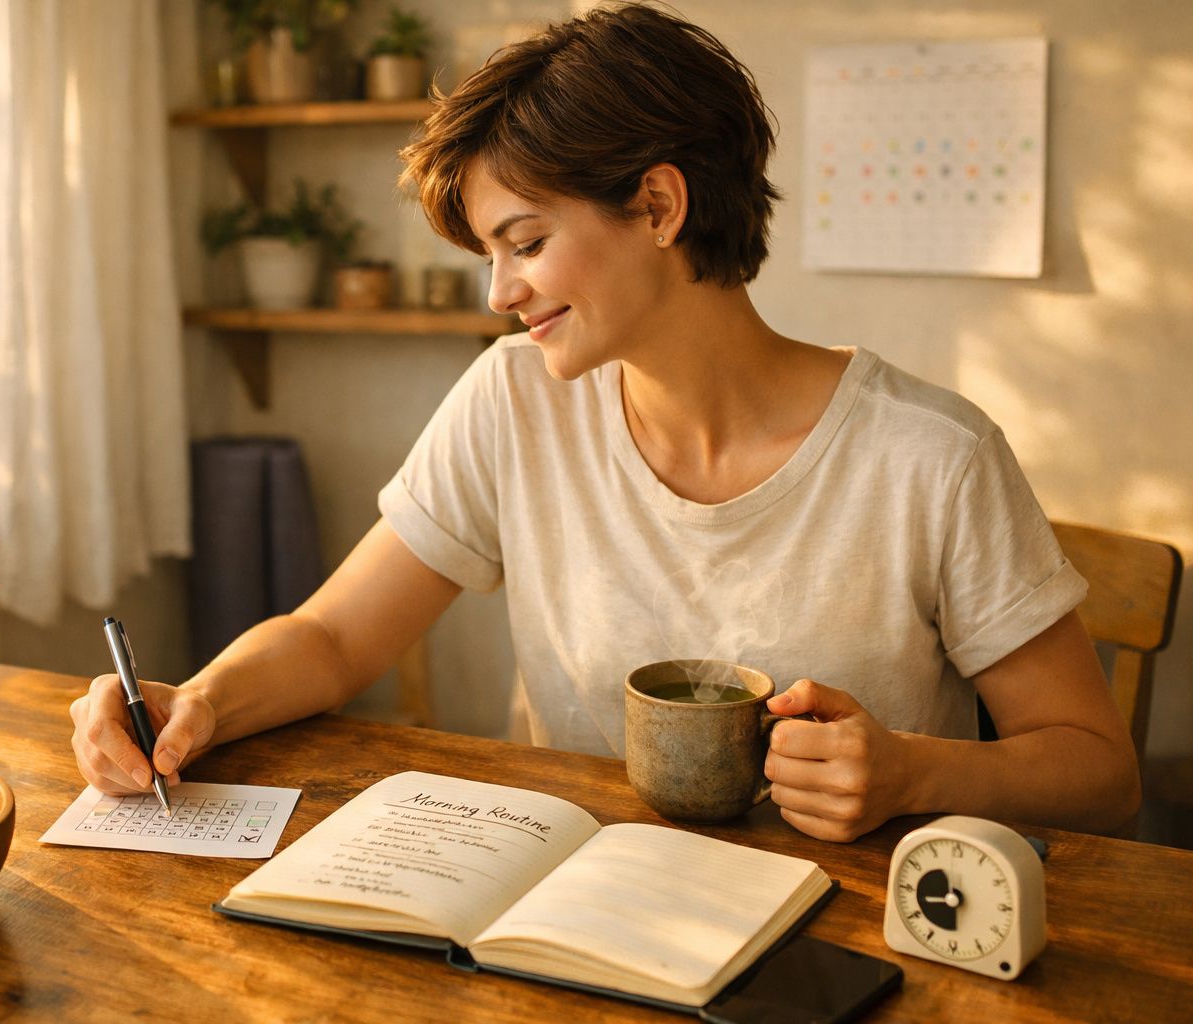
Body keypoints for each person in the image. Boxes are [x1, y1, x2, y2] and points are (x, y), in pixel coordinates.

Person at [71, 2, 1139, 841]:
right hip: (565, 917)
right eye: (490, 254)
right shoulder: (512, 398)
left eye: (525, 243)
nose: (499, 293)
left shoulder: (932, 459)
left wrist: (916, 772)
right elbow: (334, 636)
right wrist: (196, 701)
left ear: (660, 207)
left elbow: (1100, 773)